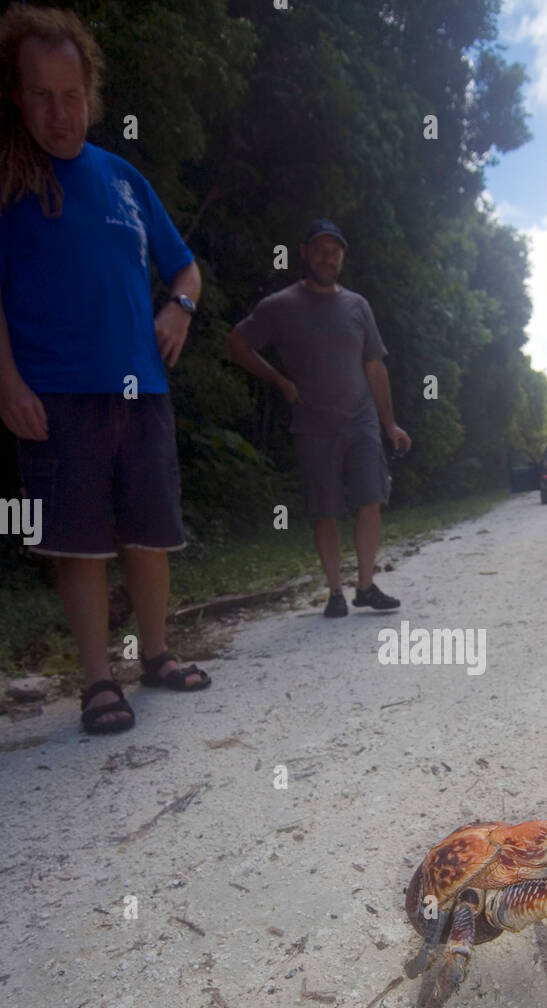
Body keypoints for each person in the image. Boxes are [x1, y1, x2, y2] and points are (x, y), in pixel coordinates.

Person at [0, 3, 209, 734]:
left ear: (90, 91)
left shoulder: (121, 174)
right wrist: (8, 381)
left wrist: (180, 306)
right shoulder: (9, 179)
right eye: (41, 96)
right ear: (16, 96)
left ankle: (154, 654)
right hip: (57, 392)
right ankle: (97, 680)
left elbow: (186, 267)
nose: (60, 114)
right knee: (79, 541)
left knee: (151, 533)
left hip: (142, 387)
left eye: (72, 95)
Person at [226, 220, 411, 617]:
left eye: (336, 251)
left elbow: (375, 366)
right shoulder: (280, 306)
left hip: (360, 418)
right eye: (321, 250)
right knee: (324, 510)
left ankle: (365, 585)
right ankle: (335, 592)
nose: (328, 257)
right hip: (312, 423)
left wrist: (389, 423)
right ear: (305, 253)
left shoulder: (358, 305)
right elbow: (237, 344)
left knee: (371, 499)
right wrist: (277, 379)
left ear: (342, 257)